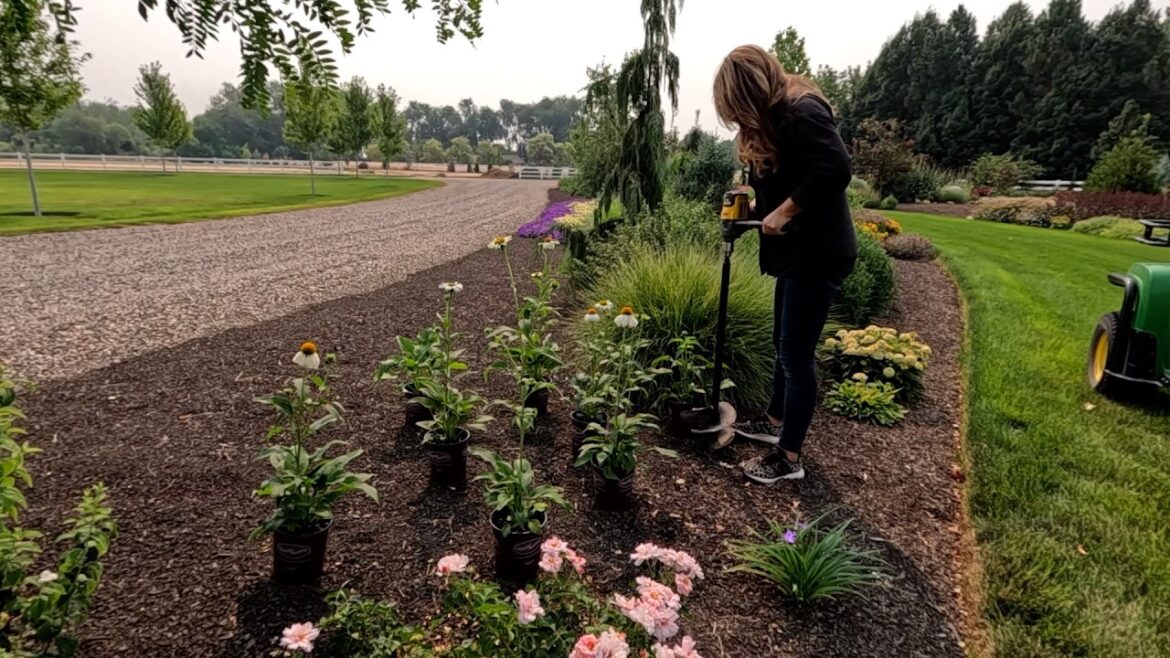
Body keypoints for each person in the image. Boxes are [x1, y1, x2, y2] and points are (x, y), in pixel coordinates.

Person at [712, 44, 857, 483]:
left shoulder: (803, 109)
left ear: (751, 92)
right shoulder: (777, 117)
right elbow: (796, 171)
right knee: (782, 342)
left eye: (738, 106)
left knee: (795, 356)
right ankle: (775, 426)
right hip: (798, 252)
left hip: (819, 252)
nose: (738, 118)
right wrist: (758, 200)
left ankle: (789, 459)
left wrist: (786, 210)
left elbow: (835, 169)